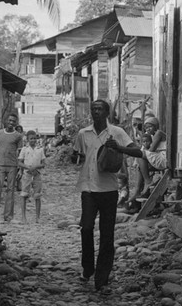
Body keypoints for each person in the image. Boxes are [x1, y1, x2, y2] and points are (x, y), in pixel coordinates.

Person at [74, 99, 138, 292]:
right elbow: (78, 155)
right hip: (88, 188)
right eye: (93, 109)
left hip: (109, 190)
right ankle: (88, 267)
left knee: (107, 235)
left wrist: (118, 148)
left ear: (107, 112)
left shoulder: (116, 132)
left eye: (100, 109)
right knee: (86, 228)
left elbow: (137, 151)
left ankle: (101, 279)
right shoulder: (83, 134)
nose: (96, 112)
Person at [0, 114, 24, 222]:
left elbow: (20, 152)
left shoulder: (18, 136)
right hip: (0, 164)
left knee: (10, 190)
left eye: (14, 121)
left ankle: (8, 216)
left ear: (16, 123)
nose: (11, 123)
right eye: (10, 120)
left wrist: (21, 168)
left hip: (12, 165)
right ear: (6, 120)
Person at [18, 130, 46, 223]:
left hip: (37, 175)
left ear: (36, 139)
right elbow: (19, 162)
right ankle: (23, 217)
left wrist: (36, 166)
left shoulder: (40, 149)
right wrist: (27, 167)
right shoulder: (24, 149)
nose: (33, 140)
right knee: (24, 195)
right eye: (31, 138)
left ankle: (37, 217)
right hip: (27, 174)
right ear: (27, 139)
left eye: (34, 138)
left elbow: (43, 164)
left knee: (37, 195)